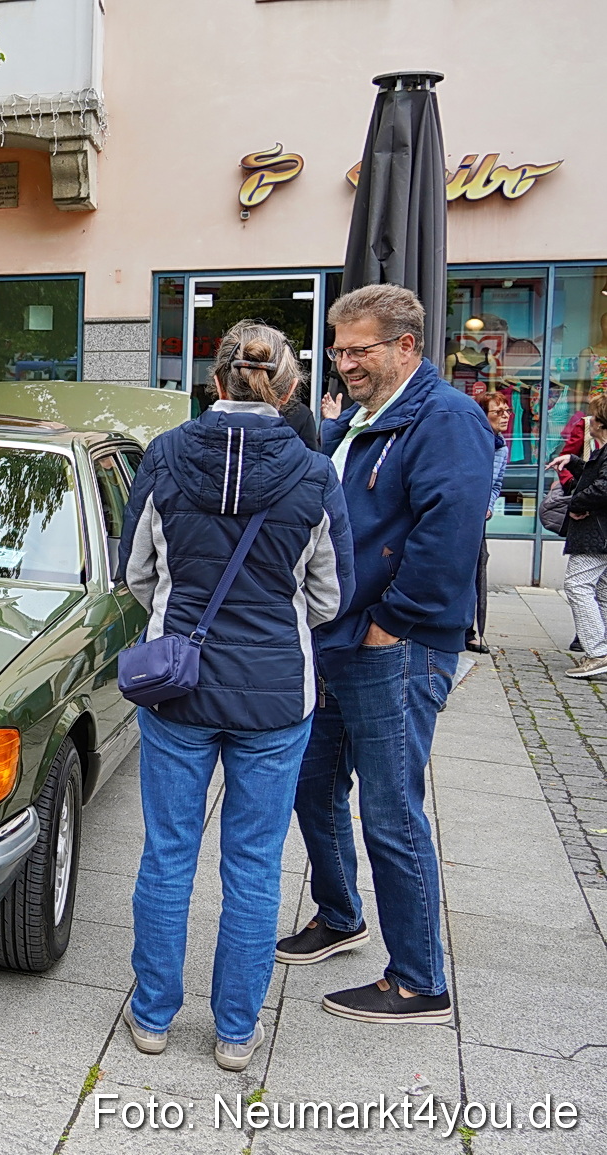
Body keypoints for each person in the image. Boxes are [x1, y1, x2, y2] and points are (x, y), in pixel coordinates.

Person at [118, 321, 353, 1071]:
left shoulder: (165, 455)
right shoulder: (316, 474)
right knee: (253, 864)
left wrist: (178, 620)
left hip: (176, 689)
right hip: (276, 695)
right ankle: (235, 1030)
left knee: (167, 854)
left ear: (215, 382)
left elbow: (138, 574)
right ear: (285, 390)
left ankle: (153, 1015)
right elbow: (329, 596)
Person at [281, 285, 495, 1025]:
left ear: (407, 345)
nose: (343, 363)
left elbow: (449, 539)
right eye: (337, 350)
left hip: (391, 645)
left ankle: (418, 979)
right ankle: (341, 915)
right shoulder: (366, 419)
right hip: (340, 639)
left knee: (391, 812)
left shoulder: (447, 419)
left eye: (358, 349)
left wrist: (390, 625)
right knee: (312, 785)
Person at [554, 394, 607, 680]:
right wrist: (573, 461)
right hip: (601, 534)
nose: (589, 422)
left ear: (600, 422)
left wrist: (576, 505)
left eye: (593, 418)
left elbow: (603, 488)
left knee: (577, 585)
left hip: (598, 534)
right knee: (602, 592)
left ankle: (597, 653)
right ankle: (601, 651)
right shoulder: (604, 450)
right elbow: (594, 476)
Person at [466, 393, 512, 653]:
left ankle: (471, 631)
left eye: (507, 411)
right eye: (499, 411)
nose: (505, 416)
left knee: (478, 567)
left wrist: (489, 506)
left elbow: (496, 483)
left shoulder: (501, 446)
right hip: (462, 516)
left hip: (479, 518)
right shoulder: (472, 440)